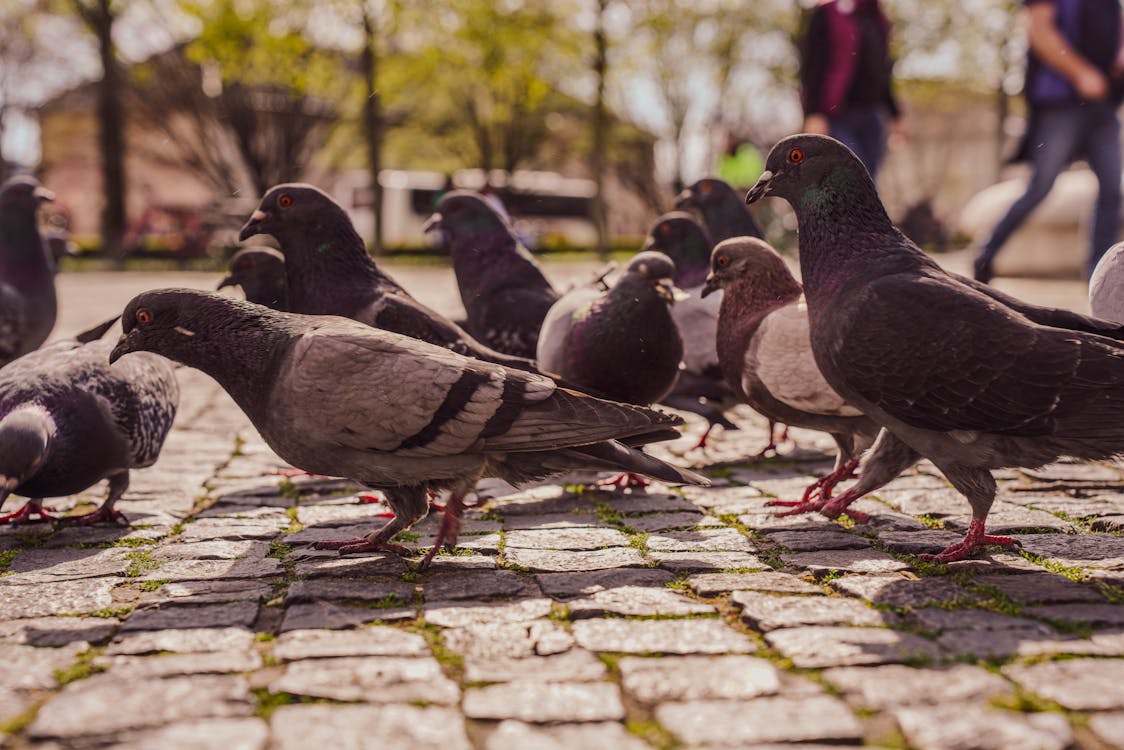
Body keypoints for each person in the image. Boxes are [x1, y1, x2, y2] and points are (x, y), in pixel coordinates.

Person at [973, 0, 1124, 284]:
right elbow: (1040, 32)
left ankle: (1100, 277)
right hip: (1061, 104)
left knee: (1111, 189)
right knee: (1041, 186)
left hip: (1103, 104)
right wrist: (1081, 72)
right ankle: (986, 254)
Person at [799, 0, 902, 178]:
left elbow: (882, 70)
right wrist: (813, 112)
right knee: (850, 175)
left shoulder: (876, 17)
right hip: (837, 115)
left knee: (869, 181)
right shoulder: (826, 13)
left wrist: (895, 115)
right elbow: (812, 64)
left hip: (872, 115)